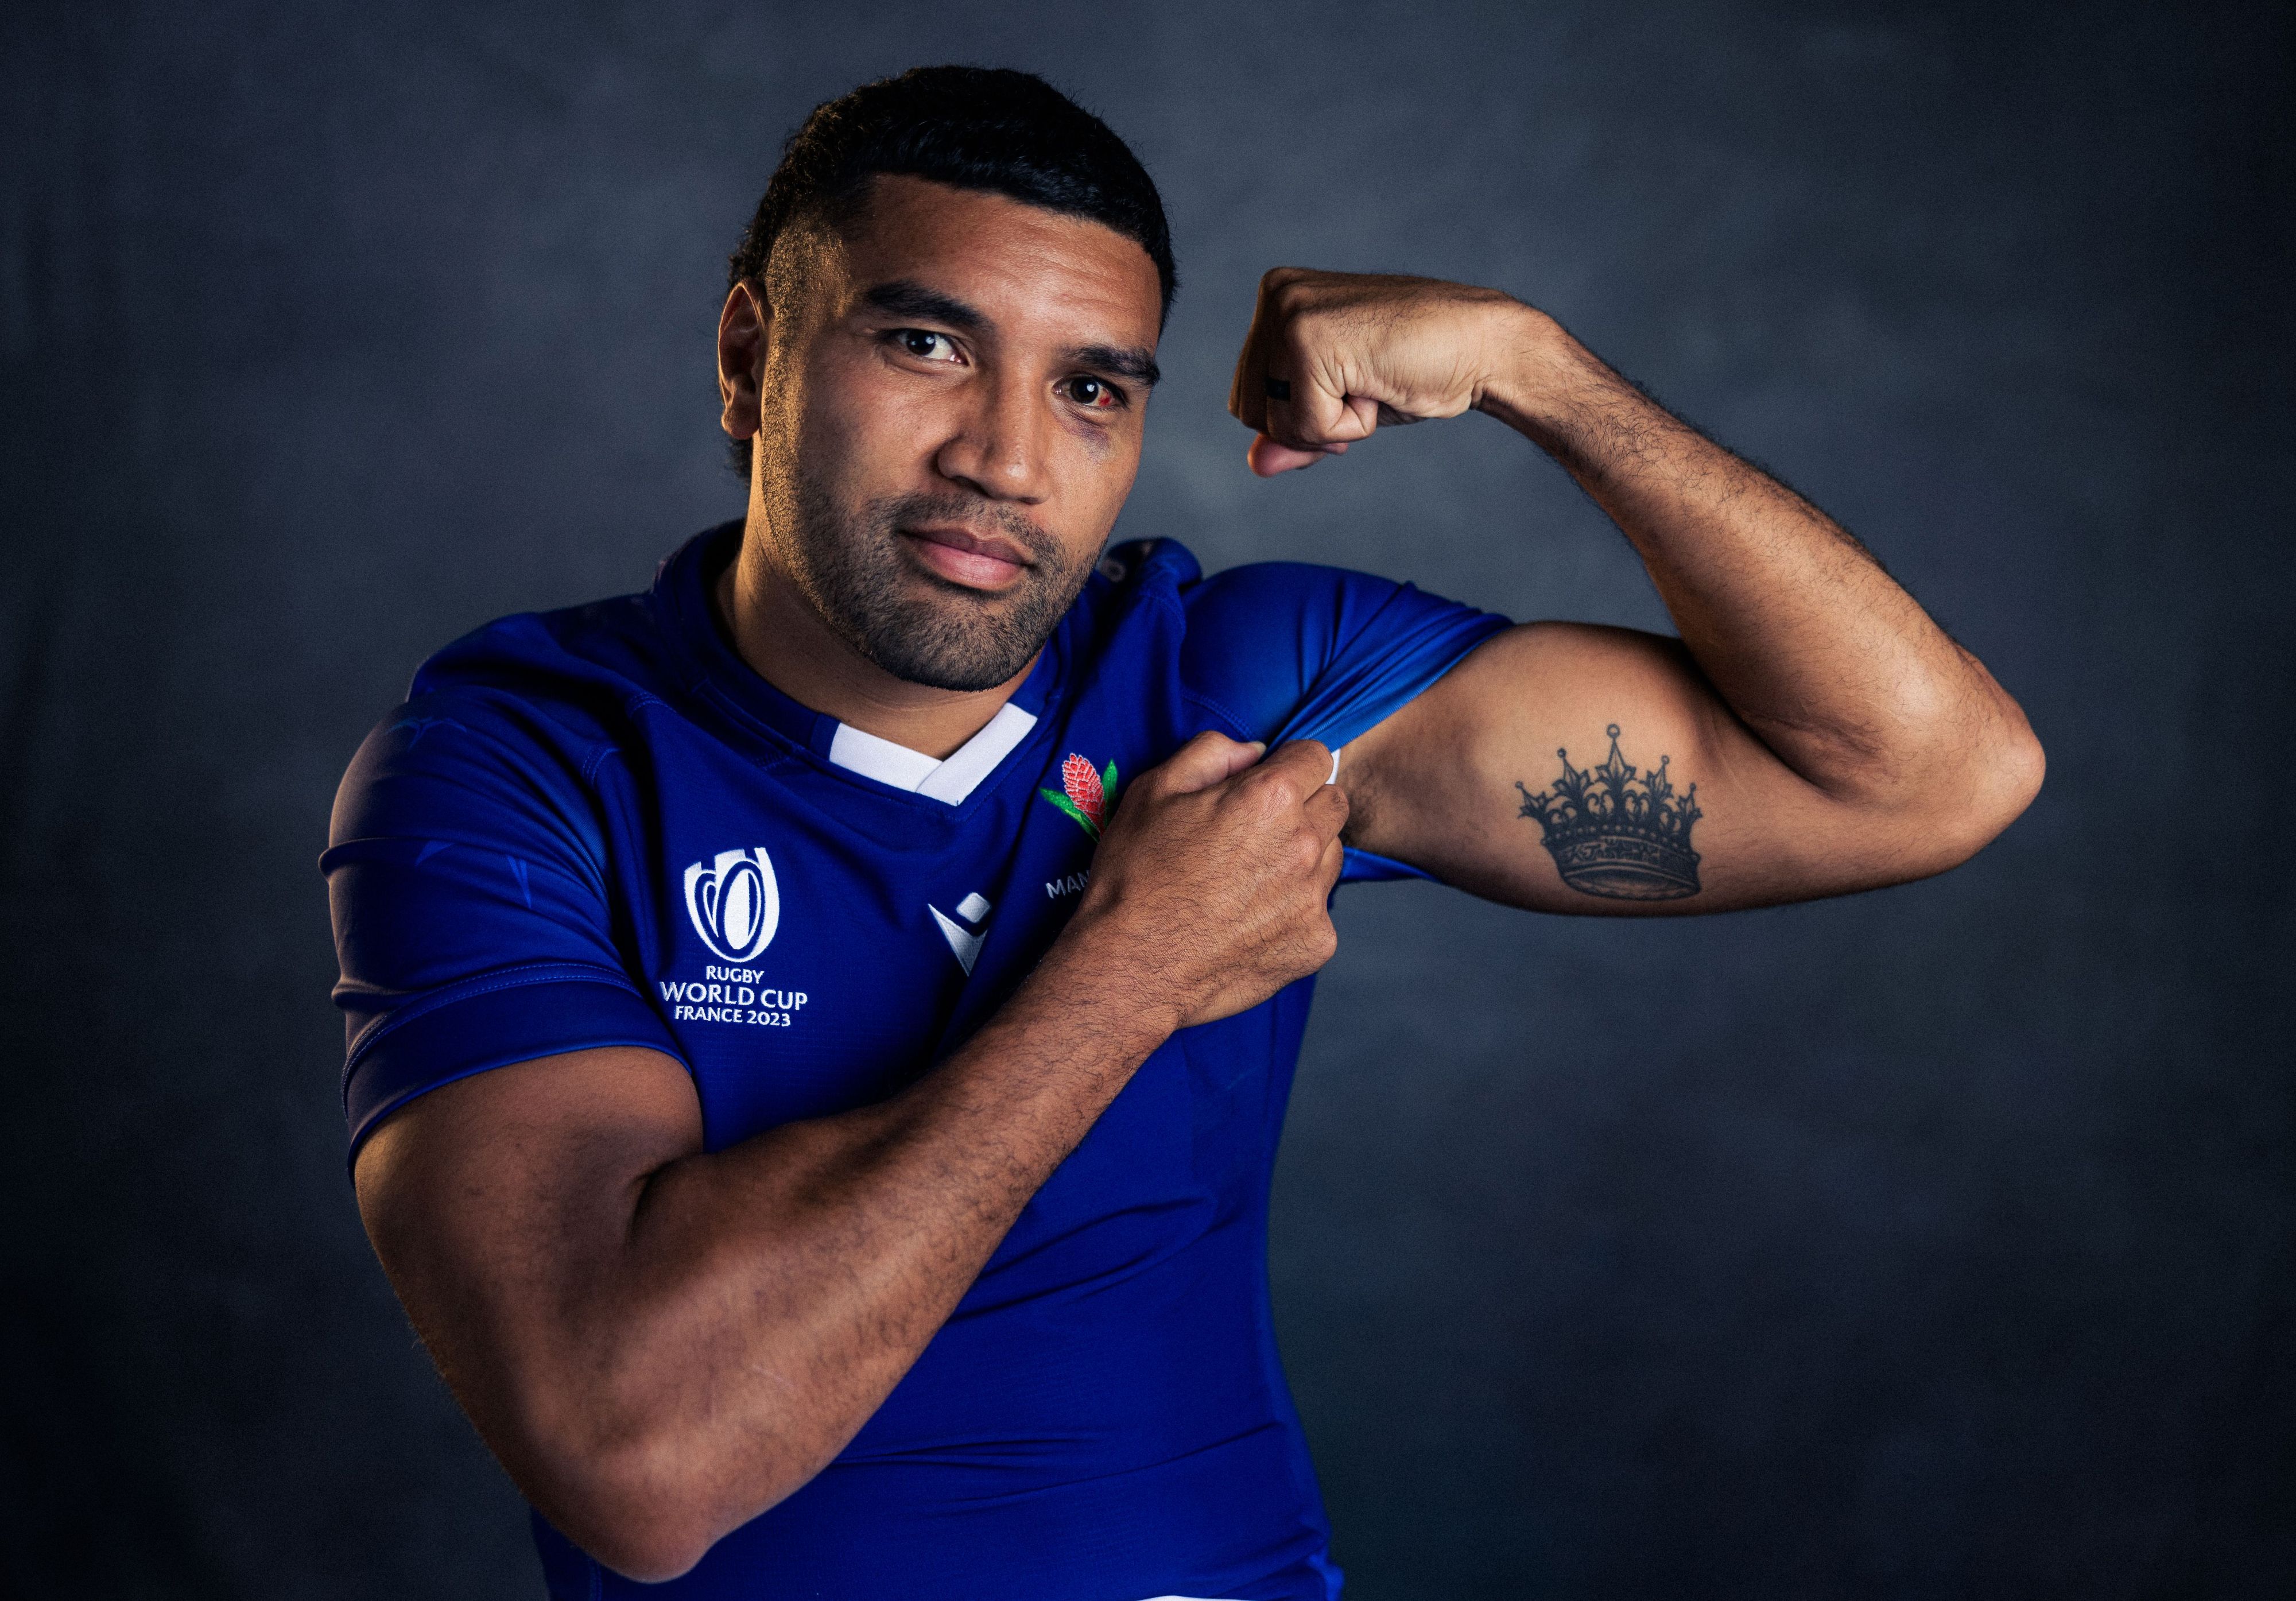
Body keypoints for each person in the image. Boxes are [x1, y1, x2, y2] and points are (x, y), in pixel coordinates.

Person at [324, 64, 2042, 1600]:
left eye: (1092, 389)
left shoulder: (1240, 688)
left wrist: (1542, 372)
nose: (1008, 459)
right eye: (927, 345)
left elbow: (1924, 777)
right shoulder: (514, 767)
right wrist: (1135, 965)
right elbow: (640, 1464)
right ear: (748, 356)